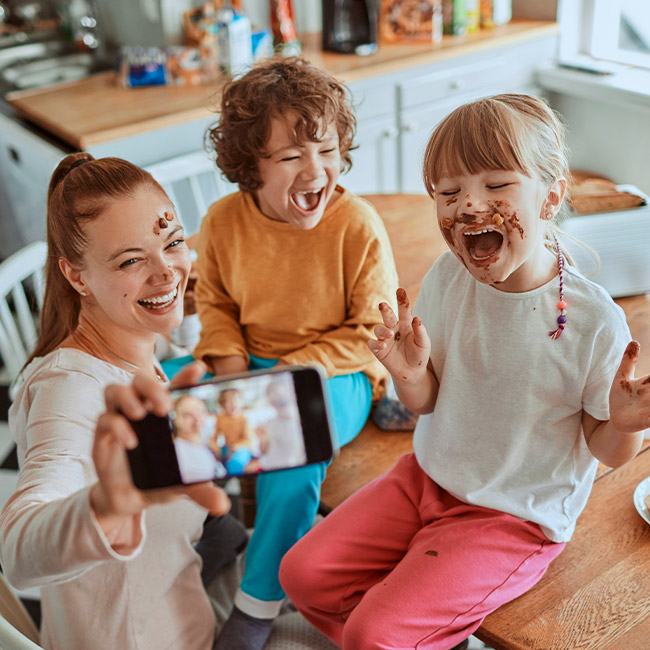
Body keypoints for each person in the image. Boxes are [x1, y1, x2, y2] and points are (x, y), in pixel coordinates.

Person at [279, 94, 650, 650]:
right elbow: (428, 400)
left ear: (550, 196)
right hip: (426, 477)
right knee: (301, 574)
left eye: (497, 185)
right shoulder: (448, 277)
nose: (470, 206)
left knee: (370, 634)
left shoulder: (594, 322)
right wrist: (408, 374)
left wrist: (626, 424)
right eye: (448, 193)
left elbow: (608, 451)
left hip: (513, 519)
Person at [0, 153, 247, 650]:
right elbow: (20, 549)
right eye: (130, 260)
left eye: (173, 242)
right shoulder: (69, 390)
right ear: (77, 277)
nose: (166, 272)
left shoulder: (133, 347)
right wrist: (104, 506)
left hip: (182, 607)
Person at [193, 56, 399, 649]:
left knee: (289, 446)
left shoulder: (356, 225)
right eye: (289, 157)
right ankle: (217, 523)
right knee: (162, 408)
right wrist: (229, 368)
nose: (316, 170)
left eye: (327, 149)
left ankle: (258, 601)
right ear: (249, 168)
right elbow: (216, 305)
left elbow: (371, 326)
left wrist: (288, 373)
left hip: (337, 372)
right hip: (250, 361)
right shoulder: (223, 221)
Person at [174, 394, 227, 483]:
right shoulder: (179, 452)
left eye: (201, 411)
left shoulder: (204, 443)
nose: (197, 419)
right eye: (188, 415)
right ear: (176, 420)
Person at [211, 388, 258, 475]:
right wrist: (215, 447)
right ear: (223, 404)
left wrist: (233, 448)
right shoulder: (220, 418)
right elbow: (214, 437)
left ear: (240, 402)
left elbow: (247, 441)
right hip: (227, 448)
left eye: (236, 400)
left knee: (234, 465)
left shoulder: (244, 418)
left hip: (242, 448)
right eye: (229, 401)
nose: (233, 404)